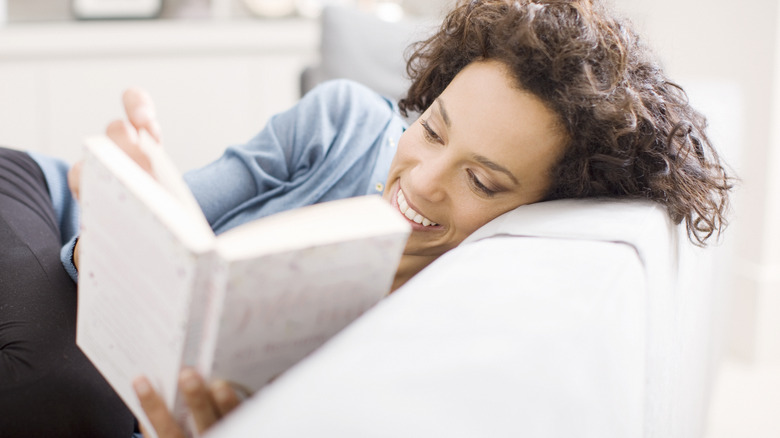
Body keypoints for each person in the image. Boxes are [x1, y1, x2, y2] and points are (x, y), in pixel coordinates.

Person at [0, 0, 732, 436]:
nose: (422, 179)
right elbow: (81, 258)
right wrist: (135, 193)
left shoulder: (451, 310)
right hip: (33, 197)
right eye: (435, 129)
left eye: (481, 179)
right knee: (62, 392)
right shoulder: (344, 124)